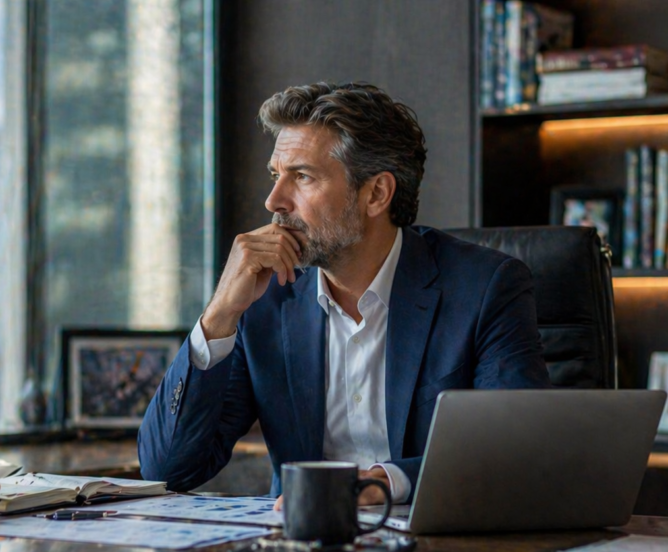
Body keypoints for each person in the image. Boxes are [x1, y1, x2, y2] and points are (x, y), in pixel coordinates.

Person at [138, 82, 551, 505]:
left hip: (436, 549)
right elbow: (168, 470)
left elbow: (514, 451)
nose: (273, 201)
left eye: (302, 176)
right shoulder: (263, 298)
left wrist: (386, 483)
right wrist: (220, 313)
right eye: (275, 176)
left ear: (376, 194)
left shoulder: (484, 287)